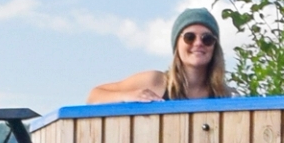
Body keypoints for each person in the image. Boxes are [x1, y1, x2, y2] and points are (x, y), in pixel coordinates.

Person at [87, 8, 232, 104]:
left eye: (207, 39)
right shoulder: (155, 82)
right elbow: (94, 96)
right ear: (177, 44)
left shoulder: (225, 96)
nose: (198, 43)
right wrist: (127, 96)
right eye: (189, 37)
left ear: (215, 46)